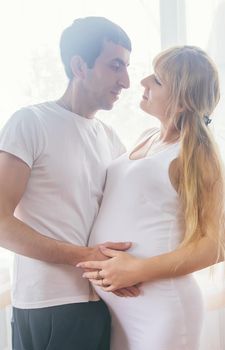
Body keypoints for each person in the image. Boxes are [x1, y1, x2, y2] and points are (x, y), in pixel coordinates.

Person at [0, 16, 138, 350]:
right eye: (115, 65)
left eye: (127, 67)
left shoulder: (111, 140)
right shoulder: (30, 123)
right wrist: (86, 256)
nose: (127, 80)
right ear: (79, 65)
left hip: (100, 304)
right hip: (47, 305)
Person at [78, 46, 225, 350]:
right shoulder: (147, 136)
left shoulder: (197, 154)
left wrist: (136, 270)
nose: (142, 81)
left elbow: (216, 245)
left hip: (161, 308)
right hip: (122, 307)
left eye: (157, 80)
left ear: (182, 99)